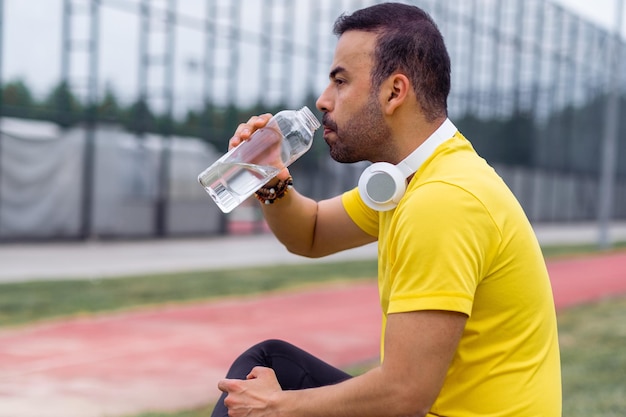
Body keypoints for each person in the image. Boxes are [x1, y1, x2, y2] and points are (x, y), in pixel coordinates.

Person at [212, 3, 562, 417]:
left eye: (340, 82)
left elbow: (403, 395)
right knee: (270, 364)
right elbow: (310, 233)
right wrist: (270, 178)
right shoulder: (414, 178)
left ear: (395, 92)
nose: (324, 100)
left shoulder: (444, 200)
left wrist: (278, 405)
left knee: (273, 383)